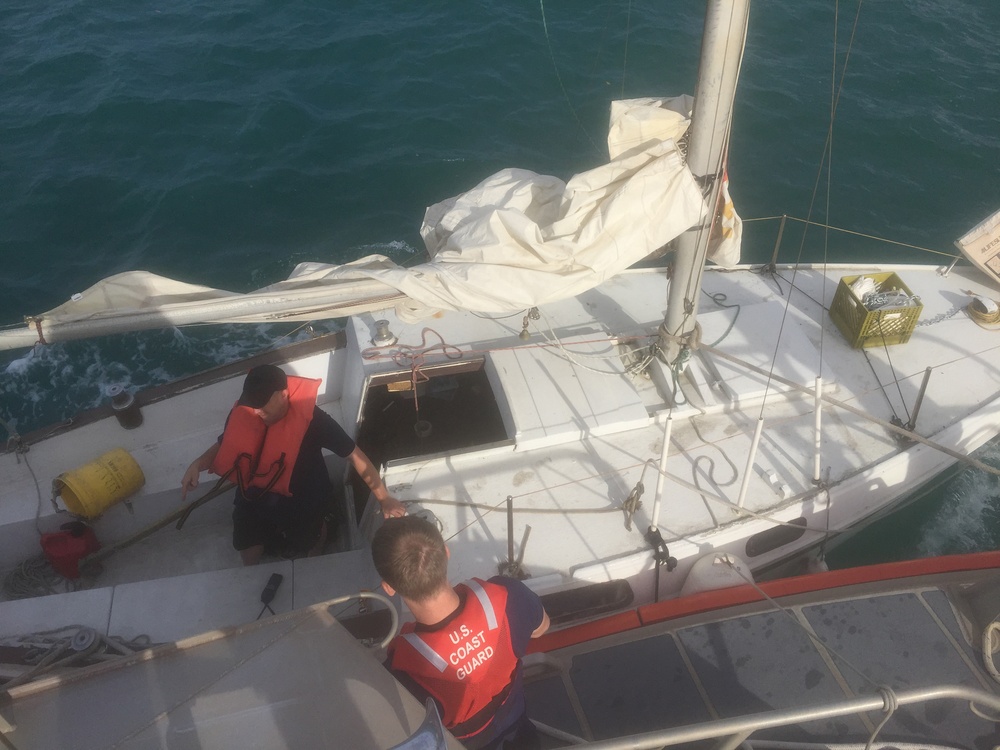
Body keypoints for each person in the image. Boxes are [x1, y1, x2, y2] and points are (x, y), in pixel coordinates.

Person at [182, 363, 405, 565]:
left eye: (262, 405)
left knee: (309, 539)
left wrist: (383, 498)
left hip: (303, 496)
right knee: (246, 543)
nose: (256, 411)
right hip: (255, 494)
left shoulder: (316, 421)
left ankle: (316, 549)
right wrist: (198, 464)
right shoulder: (246, 411)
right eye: (253, 405)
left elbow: (355, 456)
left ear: (283, 394)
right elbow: (225, 443)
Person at [372, 516, 549, 750]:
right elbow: (542, 627)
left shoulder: (401, 673)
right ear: (446, 552)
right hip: (522, 736)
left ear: (389, 588)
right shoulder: (509, 596)